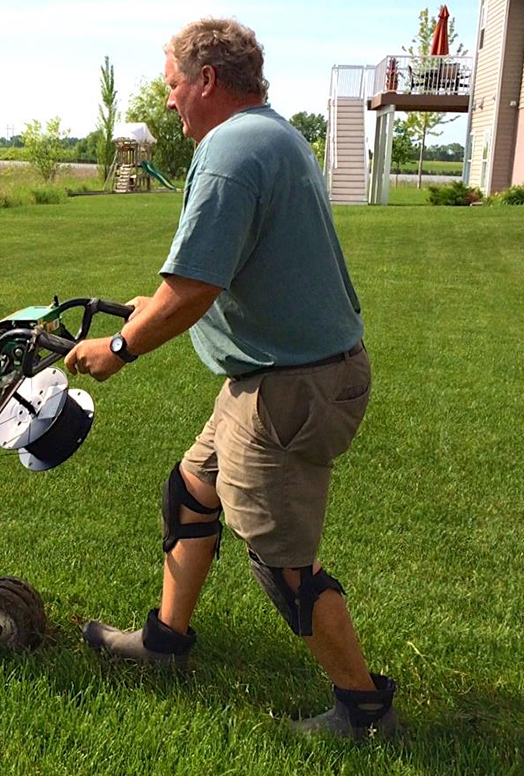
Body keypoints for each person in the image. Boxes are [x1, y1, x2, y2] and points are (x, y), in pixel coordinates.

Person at [63, 17, 396, 740]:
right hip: (281, 375)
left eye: (174, 87)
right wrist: (145, 308)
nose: (171, 103)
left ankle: (364, 707)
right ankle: (164, 642)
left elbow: (193, 292)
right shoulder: (272, 135)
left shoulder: (231, 151)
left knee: (281, 563)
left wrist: (117, 348)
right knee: (191, 490)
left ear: (207, 80)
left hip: (286, 389)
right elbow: (206, 275)